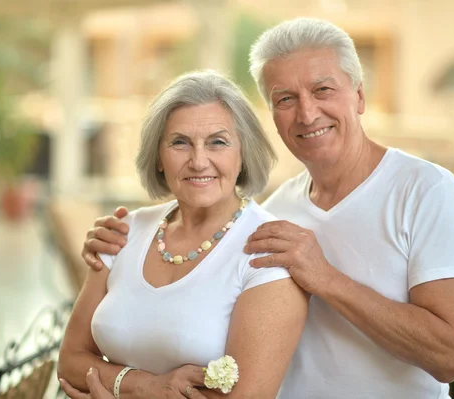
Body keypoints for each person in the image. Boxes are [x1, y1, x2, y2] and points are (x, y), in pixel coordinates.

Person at [81, 18, 454, 398]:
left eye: (323, 90)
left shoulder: (427, 191)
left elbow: (449, 357)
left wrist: (325, 277)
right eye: (286, 98)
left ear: (359, 95)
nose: (307, 112)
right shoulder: (276, 212)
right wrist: (123, 242)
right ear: (272, 116)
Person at [57, 70, 308, 399]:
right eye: (180, 143)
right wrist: (145, 386)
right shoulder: (123, 232)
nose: (199, 161)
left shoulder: (268, 254)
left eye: (217, 142)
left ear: (243, 153)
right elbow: (70, 361)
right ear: (159, 157)